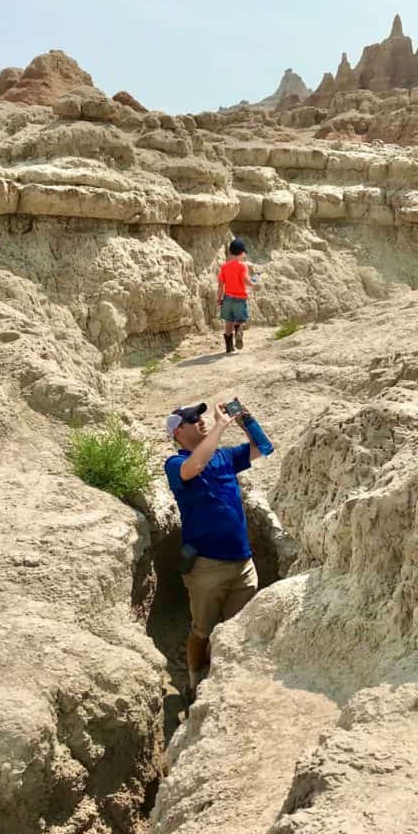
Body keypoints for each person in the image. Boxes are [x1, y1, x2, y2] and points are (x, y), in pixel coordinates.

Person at [164, 400, 261, 706]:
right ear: (178, 432)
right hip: (206, 567)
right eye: (194, 419)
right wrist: (220, 427)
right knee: (202, 630)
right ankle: (194, 681)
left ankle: (228, 682)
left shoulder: (224, 457)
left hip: (243, 562)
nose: (202, 421)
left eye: (202, 417)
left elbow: (264, 447)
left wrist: (247, 421)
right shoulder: (175, 464)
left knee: (238, 630)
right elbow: (195, 467)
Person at [217, 237, 252, 354]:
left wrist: (219, 298)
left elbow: (221, 285)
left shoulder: (224, 267)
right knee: (240, 319)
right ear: (242, 253)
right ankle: (238, 331)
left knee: (228, 322)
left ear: (230, 252)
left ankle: (229, 347)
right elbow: (246, 280)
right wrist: (253, 284)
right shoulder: (243, 266)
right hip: (240, 298)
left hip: (227, 298)